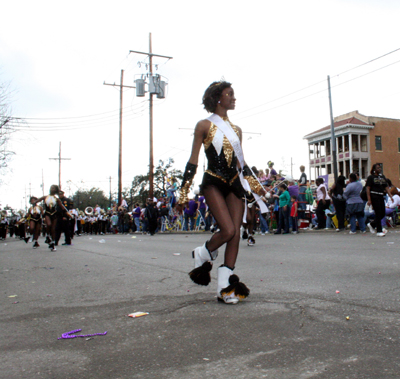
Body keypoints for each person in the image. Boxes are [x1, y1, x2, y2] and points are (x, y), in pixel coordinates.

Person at [177, 80, 265, 304]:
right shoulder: (203, 125)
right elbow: (193, 161)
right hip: (213, 182)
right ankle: (204, 252)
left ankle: (225, 288)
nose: (233, 98)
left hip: (234, 183)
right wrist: (184, 192)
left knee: (235, 232)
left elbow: (240, 163)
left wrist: (257, 189)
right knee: (226, 230)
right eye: (229, 94)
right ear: (218, 98)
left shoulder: (237, 130)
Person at [35, 185, 71, 251]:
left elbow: (62, 207)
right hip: (47, 213)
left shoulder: (56, 199)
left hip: (54, 214)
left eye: (53, 188)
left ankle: (52, 243)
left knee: (53, 229)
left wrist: (68, 213)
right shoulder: (45, 197)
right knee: (49, 224)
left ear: (56, 190)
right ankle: (47, 236)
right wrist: (35, 202)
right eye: (51, 188)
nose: (52, 189)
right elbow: (37, 200)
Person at [366, 164, 393, 237]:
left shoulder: (382, 177)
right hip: (374, 195)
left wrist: (390, 196)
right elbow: (368, 188)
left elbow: (386, 187)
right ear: (374, 169)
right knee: (378, 213)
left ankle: (372, 224)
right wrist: (369, 199)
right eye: (378, 168)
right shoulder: (371, 177)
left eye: (380, 167)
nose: (379, 169)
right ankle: (379, 231)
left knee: (382, 213)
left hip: (381, 196)